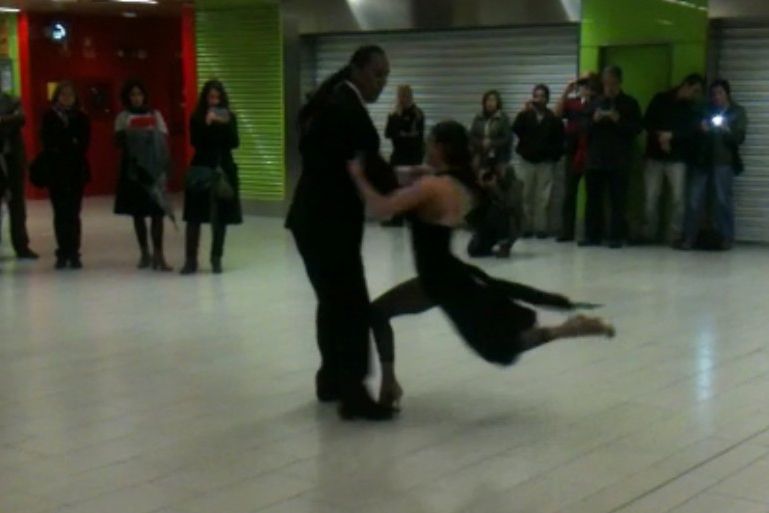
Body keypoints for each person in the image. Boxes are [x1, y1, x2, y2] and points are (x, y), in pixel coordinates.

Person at [351, 121, 614, 409]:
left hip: (441, 280)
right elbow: (406, 174)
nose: (426, 146)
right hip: (445, 275)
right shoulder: (458, 182)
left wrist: (357, 175)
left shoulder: (433, 186)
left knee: (497, 348)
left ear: (440, 147)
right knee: (492, 344)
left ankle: (567, 329)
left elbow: (380, 208)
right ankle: (390, 384)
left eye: (430, 141)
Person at [285, 46, 399, 421]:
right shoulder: (345, 109)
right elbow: (371, 166)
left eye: (386, 76)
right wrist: (413, 189)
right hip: (328, 223)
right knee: (351, 305)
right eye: (377, 74)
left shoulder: (332, 103)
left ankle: (331, 380)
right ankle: (353, 395)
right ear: (357, 70)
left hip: (314, 220)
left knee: (333, 302)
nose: (382, 83)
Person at [181, 80, 242, 275]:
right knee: (194, 216)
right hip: (201, 169)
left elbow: (234, 142)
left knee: (221, 216)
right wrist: (207, 124)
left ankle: (216, 257)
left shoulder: (229, 117)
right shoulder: (197, 117)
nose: (214, 101)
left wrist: (224, 124)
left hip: (223, 168)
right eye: (210, 97)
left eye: (217, 97)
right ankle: (190, 259)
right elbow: (196, 142)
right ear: (205, 98)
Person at [678, 79, 747, 251]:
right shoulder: (705, 109)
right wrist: (700, 127)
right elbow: (690, 127)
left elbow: (739, 138)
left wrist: (726, 129)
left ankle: (726, 237)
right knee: (694, 200)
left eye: (720, 93)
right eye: (714, 94)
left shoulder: (737, 111)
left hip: (723, 162)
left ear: (727, 94)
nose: (716, 97)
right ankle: (689, 238)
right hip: (702, 160)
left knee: (723, 201)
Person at [114, 80, 174, 271]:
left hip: (154, 168)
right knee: (138, 212)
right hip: (134, 169)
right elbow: (117, 142)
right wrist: (130, 132)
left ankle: (159, 254)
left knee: (157, 212)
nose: (136, 98)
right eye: (132, 94)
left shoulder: (155, 115)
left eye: (139, 94)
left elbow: (163, 139)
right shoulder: (123, 117)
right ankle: (144, 252)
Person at [581, 66, 643, 249]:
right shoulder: (595, 102)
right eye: (605, 83)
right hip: (595, 158)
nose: (609, 87)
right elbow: (583, 128)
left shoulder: (630, 103)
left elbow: (637, 129)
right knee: (593, 200)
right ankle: (592, 235)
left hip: (619, 159)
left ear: (619, 82)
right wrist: (594, 120)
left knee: (618, 200)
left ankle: (616, 236)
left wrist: (618, 120)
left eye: (612, 83)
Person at [642, 74, 705, 245]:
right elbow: (647, 122)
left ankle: (674, 235)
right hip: (655, 155)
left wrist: (672, 136)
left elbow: (691, 132)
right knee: (651, 197)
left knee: (678, 199)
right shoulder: (660, 99)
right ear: (686, 85)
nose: (696, 95)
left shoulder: (691, 108)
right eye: (695, 90)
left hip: (677, 157)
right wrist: (660, 137)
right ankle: (649, 233)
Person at [40, 82, 91, 269]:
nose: (67, 98)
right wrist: (69, 142)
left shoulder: (81, 117)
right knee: (60, 212)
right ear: (57, 96)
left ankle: (74, 252)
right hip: (56, 171)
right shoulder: (49, 116)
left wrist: (66, 143)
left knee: (74, 212)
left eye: (70, 95)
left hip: (76, 170)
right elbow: (48, 141)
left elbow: (83, 143)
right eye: (63, 94)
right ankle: (62, 252)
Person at [512, 84, 565, 239]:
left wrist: (553, 157)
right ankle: (526, 227)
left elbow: (560, 140)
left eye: (542, 96)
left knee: (544, 197)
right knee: (525, 195)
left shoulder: (553, 118)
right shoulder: (525, 116)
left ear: (547, 99)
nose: (539, 99)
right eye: (536, 96)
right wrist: (523, 112)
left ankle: (541, 228)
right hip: (527, 161)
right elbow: (515, 130)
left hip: (545, 162)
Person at [554, 73, 600, 243]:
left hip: (591, 150)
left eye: (587, 85)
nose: (583, 88)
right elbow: (557, 113)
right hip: (573, 151)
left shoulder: (597, 103)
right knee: (569, 192)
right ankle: (567, 231)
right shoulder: (573, 103)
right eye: (582, 85)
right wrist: (567, 91)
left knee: (592, 193)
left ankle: (590, 232)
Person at [0, 89, 38, 259]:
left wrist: (2, 121)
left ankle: (21, 245)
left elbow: (21, 118)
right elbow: (14, 120)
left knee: (17, 205)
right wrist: (7, 120)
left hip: (13, 159)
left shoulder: (12, 100)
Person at [383, 85, 425, 227]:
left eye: (405, 95)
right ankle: (397, 218)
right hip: (398, 155)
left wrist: (401, 133)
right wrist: (400, 127)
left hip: (413, 155)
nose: (402, 98)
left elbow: (415, 137)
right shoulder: (394, 113)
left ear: (410, 96)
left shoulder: (417, 114)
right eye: (400, 95)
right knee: (396, 187)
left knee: (412, 187)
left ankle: (414, 217)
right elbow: (388, 133)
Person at [470, 90, 513, 175]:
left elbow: (507, 138)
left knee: (499, 180)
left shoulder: (503, 119)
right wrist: (481, 143)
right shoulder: (478, 118)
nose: (490, 103)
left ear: (497, 103)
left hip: (499, 158)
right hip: (481, 157)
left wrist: (491, 143)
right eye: (488, 100)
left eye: (493, 100)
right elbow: (472, 136)